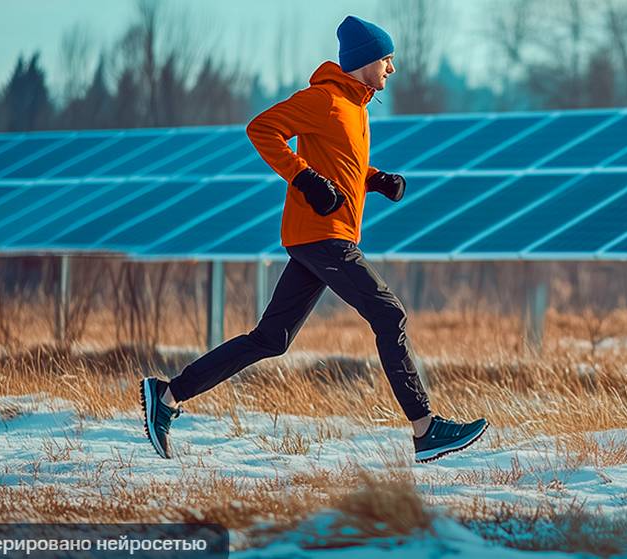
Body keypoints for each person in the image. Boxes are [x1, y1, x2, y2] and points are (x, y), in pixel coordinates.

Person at [141, 15, 488, 464]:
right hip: (324, 237)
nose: (392, 69)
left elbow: (340, 164)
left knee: (271, 339)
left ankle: (168, 394)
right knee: (388, 312)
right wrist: (303, 178)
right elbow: (261, 129)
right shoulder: (322, 99)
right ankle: (426, 429)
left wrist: (376, 179)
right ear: (365, 60)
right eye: (387, 59)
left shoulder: (356, 109)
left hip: (323, 237)